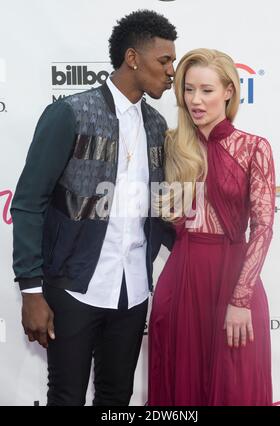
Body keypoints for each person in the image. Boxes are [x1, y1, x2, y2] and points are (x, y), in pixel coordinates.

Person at [11, 9, 176, 406]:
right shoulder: (69, 113)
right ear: (132, 58)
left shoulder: (156, 126)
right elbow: (29, 202)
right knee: (66, 397)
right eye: (164, 60)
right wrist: (31, 291)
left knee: (117, 396)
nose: (172, 71)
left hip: (132, 290)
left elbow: (160, 210)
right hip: (72, 288)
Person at [148, 48, 275, 406]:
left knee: (235, 386)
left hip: (235, 279)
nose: (195, 100)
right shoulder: (172, 146)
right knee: (179, 388)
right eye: (188, 90)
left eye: (206, 90)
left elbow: (263, 226)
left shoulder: (253, 148)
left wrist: (240, 299)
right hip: (182, 275)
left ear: (229, 91)